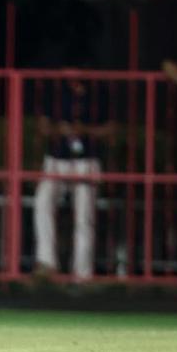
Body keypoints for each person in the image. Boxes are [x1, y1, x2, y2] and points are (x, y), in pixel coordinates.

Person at [32, 76, 113, 281]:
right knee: (43, 202)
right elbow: (42, 126)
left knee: (84, 215)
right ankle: (46, 263)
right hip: (56, 157)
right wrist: (60, 130)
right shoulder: (55, 91)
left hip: (87, 159)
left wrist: (85, 131)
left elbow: (111, 128)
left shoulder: (98, 91)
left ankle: (82, 273)